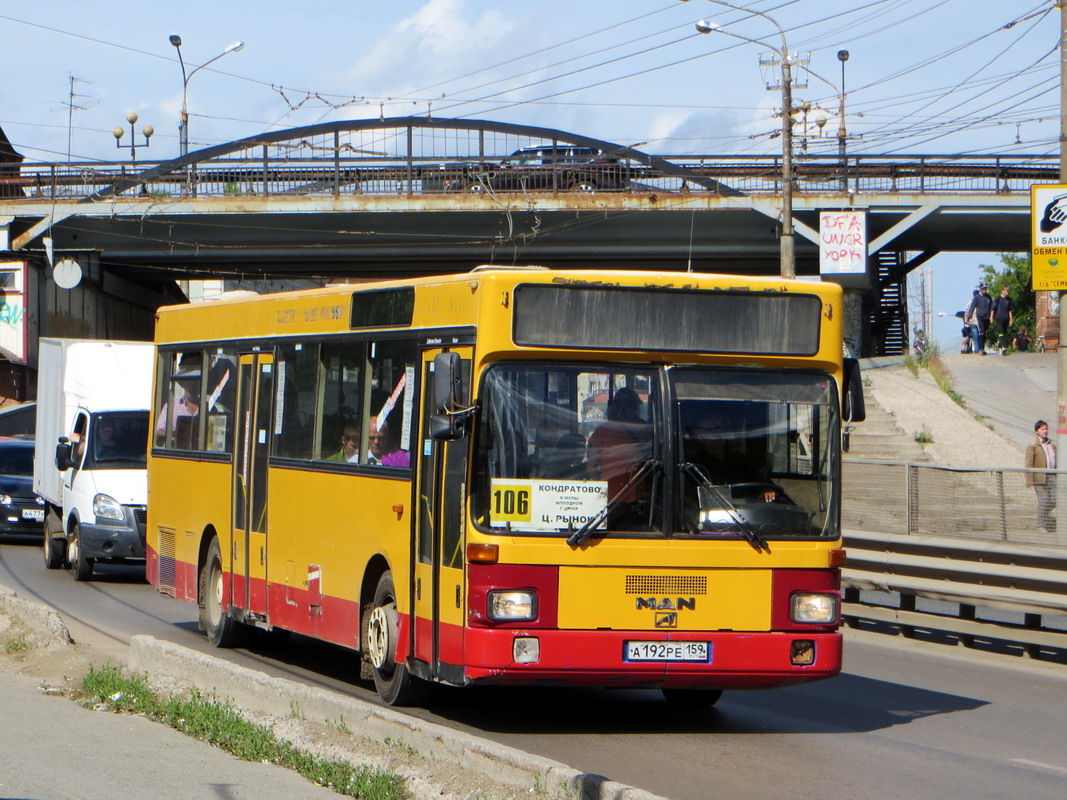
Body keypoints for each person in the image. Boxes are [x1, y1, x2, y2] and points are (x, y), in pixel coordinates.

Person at [586, 388, 651, 525]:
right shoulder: (647, 430)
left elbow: (591, 468)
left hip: (611, 501)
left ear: (613, 407)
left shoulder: (603, 431)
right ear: (637, 406)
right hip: (643, 499)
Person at [1025, 420, 1057, 533]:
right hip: (1040, 478)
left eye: (1046, 429)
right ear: (1036, 431)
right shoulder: (1033, 445)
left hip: (1053, 476)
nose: (1045, 431)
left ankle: (1042, 514)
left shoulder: (1051, 444)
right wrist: (1029, 480)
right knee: (1044, 500)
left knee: (1056, 499)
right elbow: (1028, 463)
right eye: (1042, 429)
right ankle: (1041, 525)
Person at [966, 283, 993, 356]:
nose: (985, 289)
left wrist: (992, 316)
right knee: (982, 332)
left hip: (987, 317)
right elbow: (972, 307)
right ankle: (981, 349)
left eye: (986, 288)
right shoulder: (977, 297)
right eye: (983, 288)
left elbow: (992, 308)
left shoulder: (988, 297)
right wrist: (969, 317)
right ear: (981, 289)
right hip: (980, 316)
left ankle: (983, 348)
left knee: (985, 333)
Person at [990, 285, 1013, 356]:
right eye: (1005, 291)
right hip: (998, 317)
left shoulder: (1009, 300)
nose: (1006, 293)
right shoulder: (998, 299)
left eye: (1007, 291)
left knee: (1004, 333)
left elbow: (1010, 310)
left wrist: (1011, 320)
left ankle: (1000, 348)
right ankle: (1003, 347)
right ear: (1002, 291)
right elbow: (993, 309)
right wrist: (991, 317)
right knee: (1001, 332)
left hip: (1006, 318)